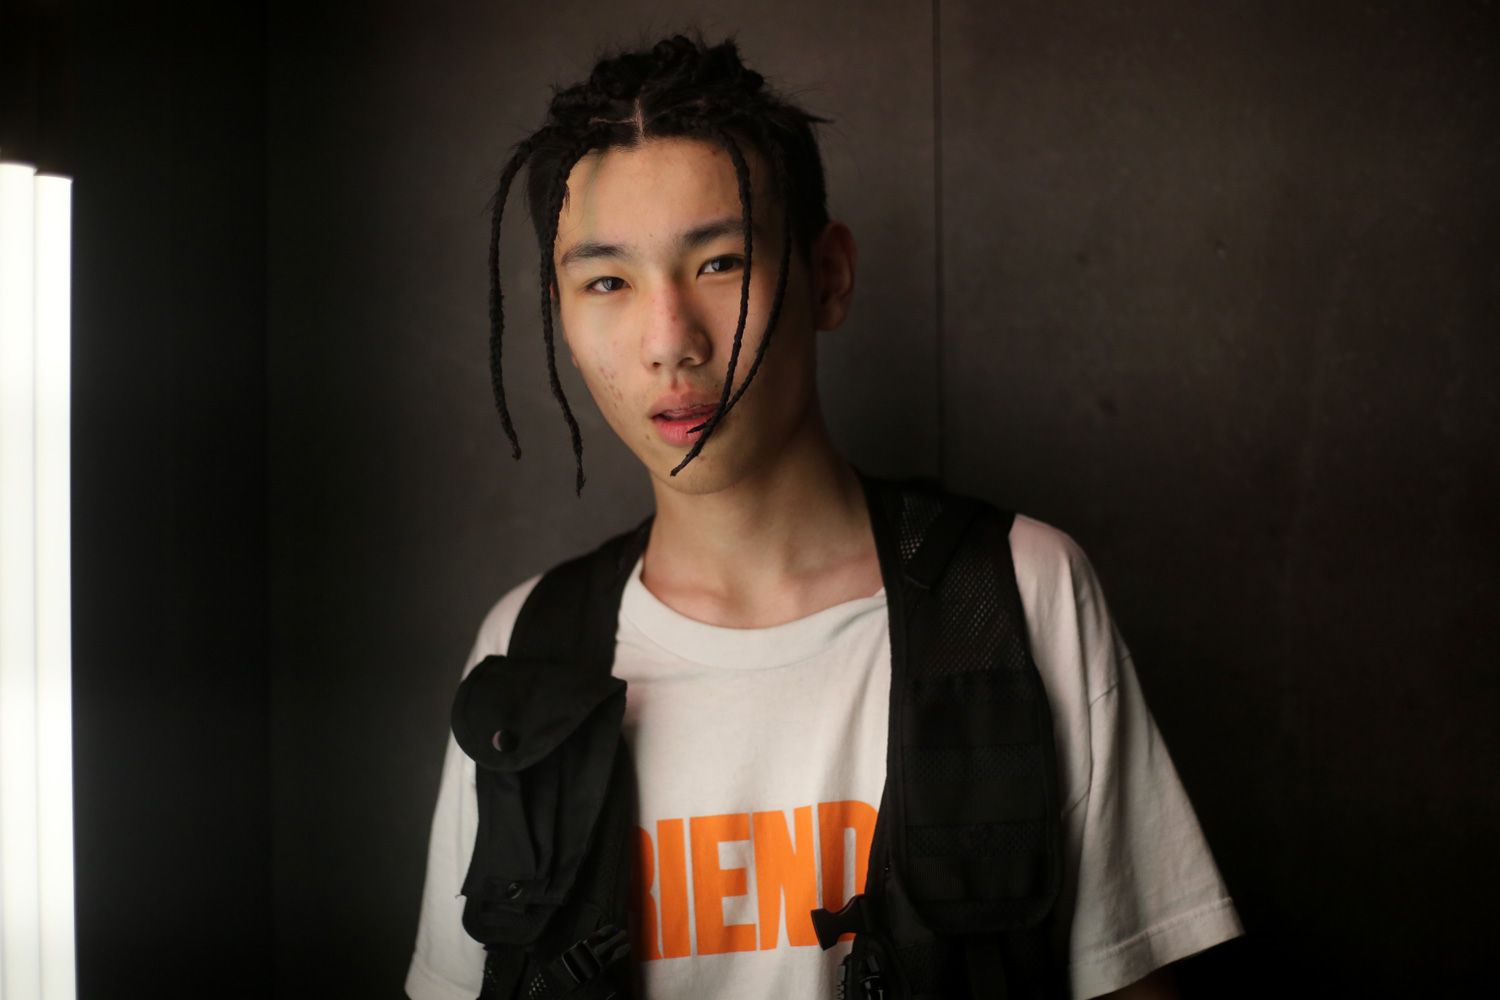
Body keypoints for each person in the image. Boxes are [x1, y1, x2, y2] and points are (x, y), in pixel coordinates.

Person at [406, 34, 1242, 1000]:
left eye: (720, 262)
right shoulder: (527, 647)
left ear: (829, 275)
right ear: (561, 311)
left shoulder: (1017, 592)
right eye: (608, 282)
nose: (669, 342)